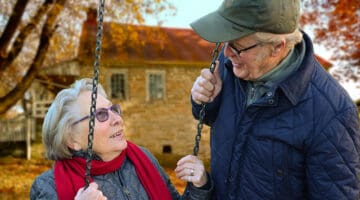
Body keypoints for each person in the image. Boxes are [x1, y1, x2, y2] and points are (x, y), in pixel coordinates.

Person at [189, 0, 360, 199]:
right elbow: (213, 118)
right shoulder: (231, 65)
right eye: (226, 42)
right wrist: (204, 100)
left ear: (277, 47)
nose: (227, 53)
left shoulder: (332, 113)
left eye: (237, 47)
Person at [30, 78, 213, 200]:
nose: (117, 119)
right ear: (72, 139)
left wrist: (199, 186)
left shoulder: (142, 158)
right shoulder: (47, 188)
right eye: (101, 115)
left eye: (113, 110)